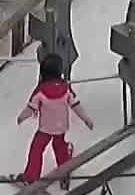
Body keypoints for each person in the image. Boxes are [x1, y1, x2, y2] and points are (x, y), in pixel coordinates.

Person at [17, 52, 93, 186]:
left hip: (45, 128)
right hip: (61, 127)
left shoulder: (40, 91)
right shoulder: (65, 90)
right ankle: (64, 172)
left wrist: (21, 117)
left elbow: (31, 108)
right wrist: (86, 119)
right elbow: (76, 105)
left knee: (37, 148)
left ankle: (31, 176)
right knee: (59, 146)